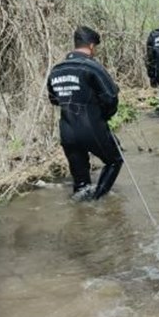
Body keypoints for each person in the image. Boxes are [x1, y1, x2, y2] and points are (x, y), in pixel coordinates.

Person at [46, 27, 124, 202]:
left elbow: (54, 99)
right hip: (91, 127)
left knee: (81, 184)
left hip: (67, 131)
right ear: (90, 46)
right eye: (95, 48)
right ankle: (97, 201)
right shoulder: (92, 67)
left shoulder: (56, 70)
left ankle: (81, 210)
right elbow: (111, 97)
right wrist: (105, 115)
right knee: (114, 160)